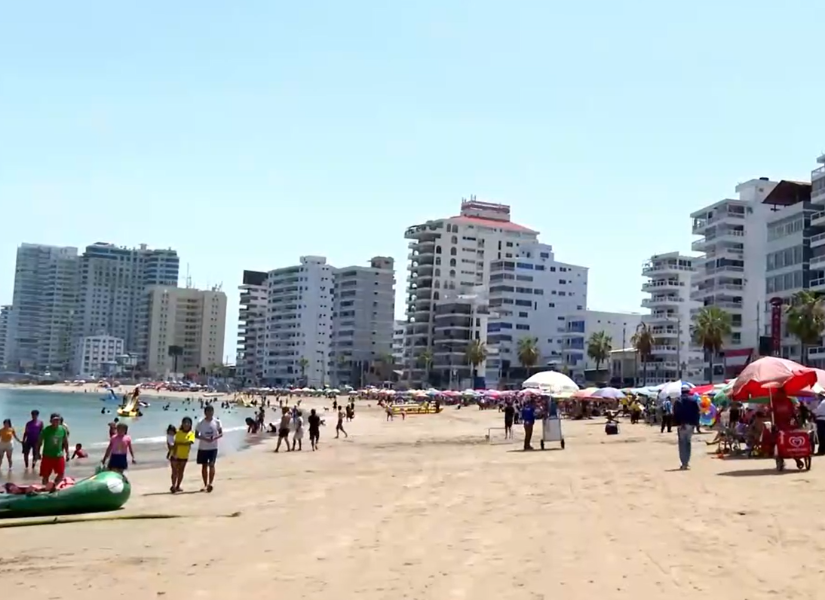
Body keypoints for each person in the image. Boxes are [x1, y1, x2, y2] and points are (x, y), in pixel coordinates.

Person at [195, 405, 222, 492]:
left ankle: (210, 483)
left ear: (213, 412)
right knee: (204, 466)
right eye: (208, 411)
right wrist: (204, 439)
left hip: (213, 447)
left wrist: (214, 438)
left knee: (212, 464)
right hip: (203, 447)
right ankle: (205, 484)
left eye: (211, 411)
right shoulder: (200, 423)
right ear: (205, 412)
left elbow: (221, 433)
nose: (209, 413)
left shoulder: (217, 422)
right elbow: (196, 435)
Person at [38, 413, 69, 486]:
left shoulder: (63, 429)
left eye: (58, 420)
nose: (56, 422)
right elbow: (39, 442)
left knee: (61, 474)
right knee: (45, 475)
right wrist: (37, 453)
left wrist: (67, 453)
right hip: (47, 455)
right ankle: (45, 488)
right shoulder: (46, 430)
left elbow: (65, 442)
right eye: (54, 420)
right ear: (51, 421)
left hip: (58, 455)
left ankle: (54, 487)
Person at [673, 386, 699, 470]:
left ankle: (683, 462)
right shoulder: (693, 400)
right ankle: (687, 462)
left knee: (682, 444)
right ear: (688, 392)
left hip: (681, 425)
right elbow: (696, 412)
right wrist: (696, 424)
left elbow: (675, 413)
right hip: (690, 424)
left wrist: (678, 423)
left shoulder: (677, 401)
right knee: (688, 443)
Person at [170, 417, 195, 493]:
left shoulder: (191, 433)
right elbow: (170, 437)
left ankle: (178, 486)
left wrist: (178, 443)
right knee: (174, 471)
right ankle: (173, 486)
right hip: (175, 454)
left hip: (184, 456)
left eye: (188, 423)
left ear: (190, 424)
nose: (186, 424)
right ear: (182, 424)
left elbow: (190, 442)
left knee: (181, 471)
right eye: (185, 423)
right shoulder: (177, 432)